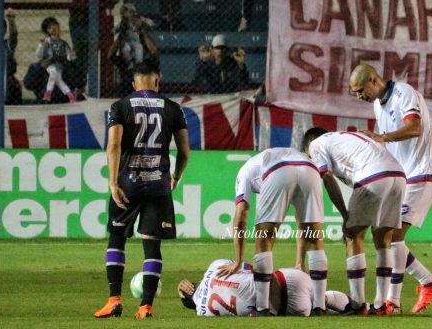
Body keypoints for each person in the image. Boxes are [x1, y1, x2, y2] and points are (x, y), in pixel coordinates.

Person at [94, 62, 190, 319]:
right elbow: (184, 151)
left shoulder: (121, 106)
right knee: (152, 247)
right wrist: (176, 176)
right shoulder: (173, 108)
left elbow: (113, 145)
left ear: (134, 84)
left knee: (117, 237)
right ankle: (146, 307)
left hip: (128, 183)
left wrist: (113, 182)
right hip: (159, 185)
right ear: (157, 82)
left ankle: (114, 301)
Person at [348, 64, 432, 314]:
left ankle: (393, 301)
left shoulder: (404, 93)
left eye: (360, 90)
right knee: (385, 236)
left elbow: (415, 128)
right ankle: (428, 281)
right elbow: (387, 145)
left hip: (422, 172)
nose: (359, 97)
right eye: (355, 93)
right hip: (402, 176)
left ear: (373, 79)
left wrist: (383, 137)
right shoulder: (377, 105)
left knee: (392, 236)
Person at [302, 128, 406, 315]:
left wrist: (344, 214)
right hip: (398, 175)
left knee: (353, 234)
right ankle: (381, 304)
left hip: (374, 175)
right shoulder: (341, 138)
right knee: (383, 240)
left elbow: (327, 178)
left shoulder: (315, 145)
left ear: (308, 147)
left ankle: (357, 304)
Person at [216, 147, 328, 316]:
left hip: (278, 170)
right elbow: (300, 219)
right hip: (311, 169)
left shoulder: (245, 172)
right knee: (314, 239)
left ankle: (262, 308)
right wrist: (299, 262)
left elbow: (241, 216)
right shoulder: (281, 156)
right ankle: (320, 307)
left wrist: (238, 261)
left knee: (264, 239)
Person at [178, 259, 354, 316]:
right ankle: (358, 305)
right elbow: (249, 268)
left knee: (316, 308)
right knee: (322, 297)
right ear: (194, 284)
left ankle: (334, 306)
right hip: (289, 279)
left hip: (282, 307)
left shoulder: (204, 313)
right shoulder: (215, 265)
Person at [69, 0, 123, 96]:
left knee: (107, 54)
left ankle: (105, 88)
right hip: (84, 19)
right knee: (85, 54)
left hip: (105, 19)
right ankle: (82, 88)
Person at [36, 17, 77, 103]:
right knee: (53, 72)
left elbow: (70, 57)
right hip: (49, 64)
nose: (53, 28)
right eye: (50, 27)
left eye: (54, 25)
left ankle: (70, 95)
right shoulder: (47, 41)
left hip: (59, 64)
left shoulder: (63, 42)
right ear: (47, 31)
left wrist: (72, 54)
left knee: (59, 81)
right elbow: (39, 54)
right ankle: (48, 93)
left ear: (58, 26)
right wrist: (40, 44)